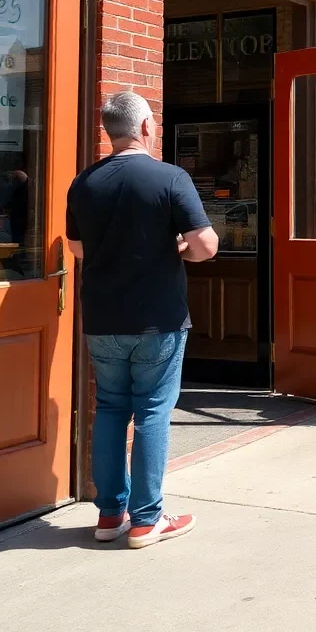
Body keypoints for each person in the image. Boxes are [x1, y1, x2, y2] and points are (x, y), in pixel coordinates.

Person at [66, 91, 219, 548]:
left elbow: (75, 249)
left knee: (111, 408)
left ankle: (110, 516)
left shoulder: (84, 183)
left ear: (109, 131)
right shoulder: (170, 177)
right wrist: (177, 249)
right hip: (158, 318)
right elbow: (206, 245)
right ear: (148, 127)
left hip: (102, 317)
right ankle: (148, 519)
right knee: (152, 410)